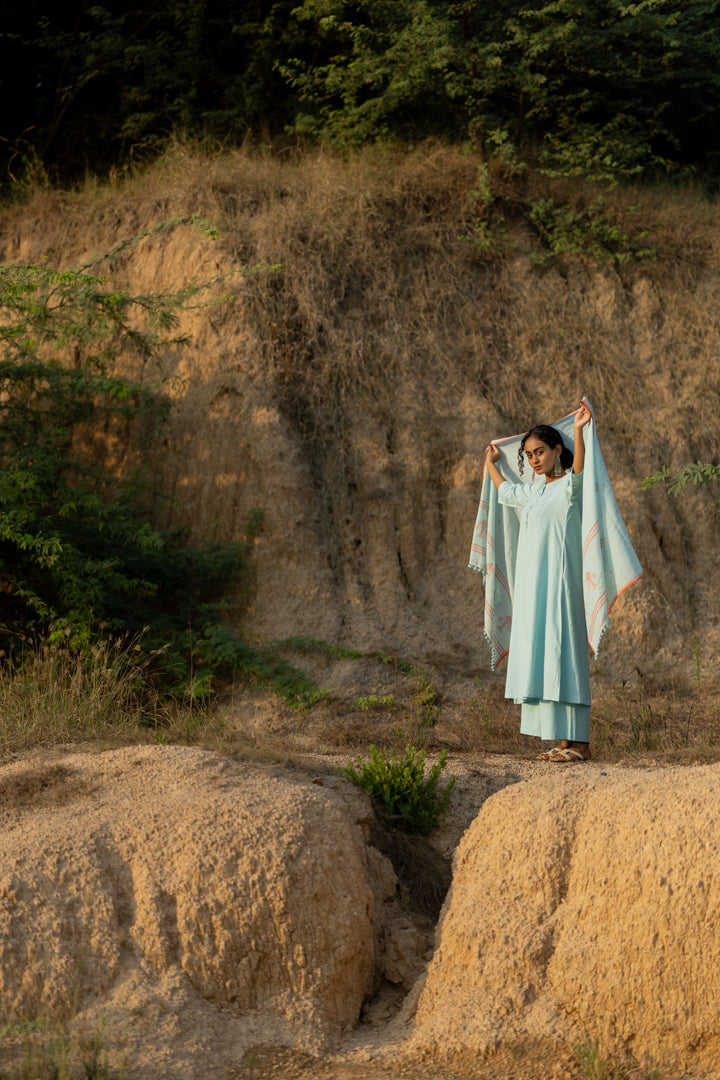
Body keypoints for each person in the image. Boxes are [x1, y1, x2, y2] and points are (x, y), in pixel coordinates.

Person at [484, 402, 592, 763]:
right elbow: (504, 491)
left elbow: (579, 470)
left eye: (540, 452)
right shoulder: (530, 493)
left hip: (561, 585)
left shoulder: (568, 489)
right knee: (542, 656)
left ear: (556, 450)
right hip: (533, 591)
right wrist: (492, 466)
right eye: (529, 455)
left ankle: (579, 743)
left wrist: (578, 429)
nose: (534, 460)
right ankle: (560, 741)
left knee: (564, 653)